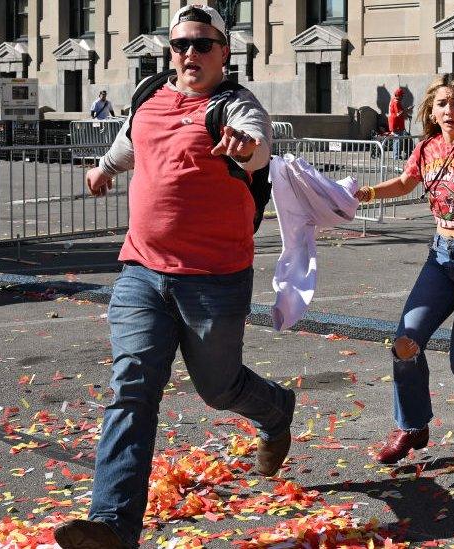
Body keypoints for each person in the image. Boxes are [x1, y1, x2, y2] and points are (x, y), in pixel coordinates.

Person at [53, 5, 295, 549]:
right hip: (141, 269)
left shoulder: (234, 106)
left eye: (203, 45)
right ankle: (113, 525)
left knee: (219, 388)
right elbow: (129, 139)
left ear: (224, 54)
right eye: (181, 43)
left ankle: (276, 409)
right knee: (132, 387)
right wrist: (103, 169)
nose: (190, 53)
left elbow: (258, 147)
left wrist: (246, 148)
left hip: (213, 278)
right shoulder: (148, 94)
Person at [354, 73, 454, 466]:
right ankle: (412, 425)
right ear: (432, 110)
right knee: (405, 342)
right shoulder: (427, 147)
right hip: (440, 257)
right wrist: (366, 194)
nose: (449, 110)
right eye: (442, 103)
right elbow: (407, 182)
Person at [388, 87, 412, 159]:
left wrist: (408, 115)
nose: (403, 97)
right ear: (398, 95)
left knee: (398, 140)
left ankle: (396, 155)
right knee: (397, 140)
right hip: (396, 124)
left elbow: (401, 112)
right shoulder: (396, 102)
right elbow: (399, 113)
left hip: (398, 124)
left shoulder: (396, 101)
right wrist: (408, 109)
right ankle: (396, 156)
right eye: (402, 95)